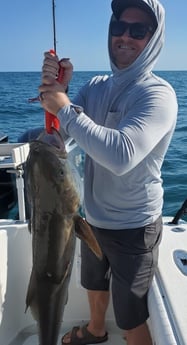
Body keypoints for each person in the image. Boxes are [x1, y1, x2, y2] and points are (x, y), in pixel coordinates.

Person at [38, 0, 178, 344]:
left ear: (154, 37)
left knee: (131, 316)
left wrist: (66, 108)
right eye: (119, 27)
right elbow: (64, 131)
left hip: (135, 226)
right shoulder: (96, 86)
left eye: (138, 30)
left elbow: (122, 154)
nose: (125, 36)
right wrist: (59, 91)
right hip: (91, 217)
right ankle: (96, 330)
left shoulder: (158, 95)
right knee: (94, 283)